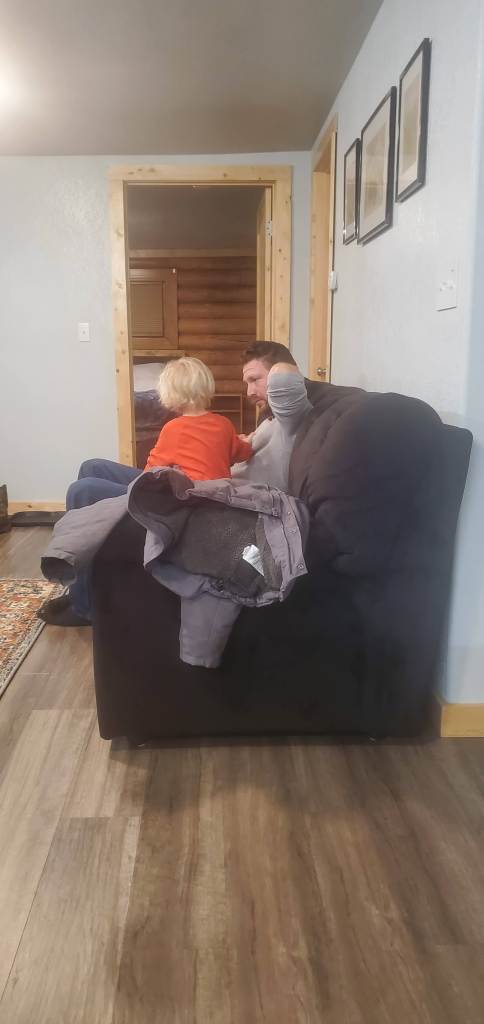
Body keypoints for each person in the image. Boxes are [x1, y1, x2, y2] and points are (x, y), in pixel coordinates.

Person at [39, 342, 310, 626]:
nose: (249, 391)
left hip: (187, 501)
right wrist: (245, 441)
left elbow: (150, 471)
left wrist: (168, 470)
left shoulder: (285, 418)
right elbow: (240, 452)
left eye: (255, 380)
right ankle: (83, 585)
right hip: (197, 489)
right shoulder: (226, 424)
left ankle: (84, 606)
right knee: (92, 466)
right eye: (247, 382)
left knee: (81, 490)